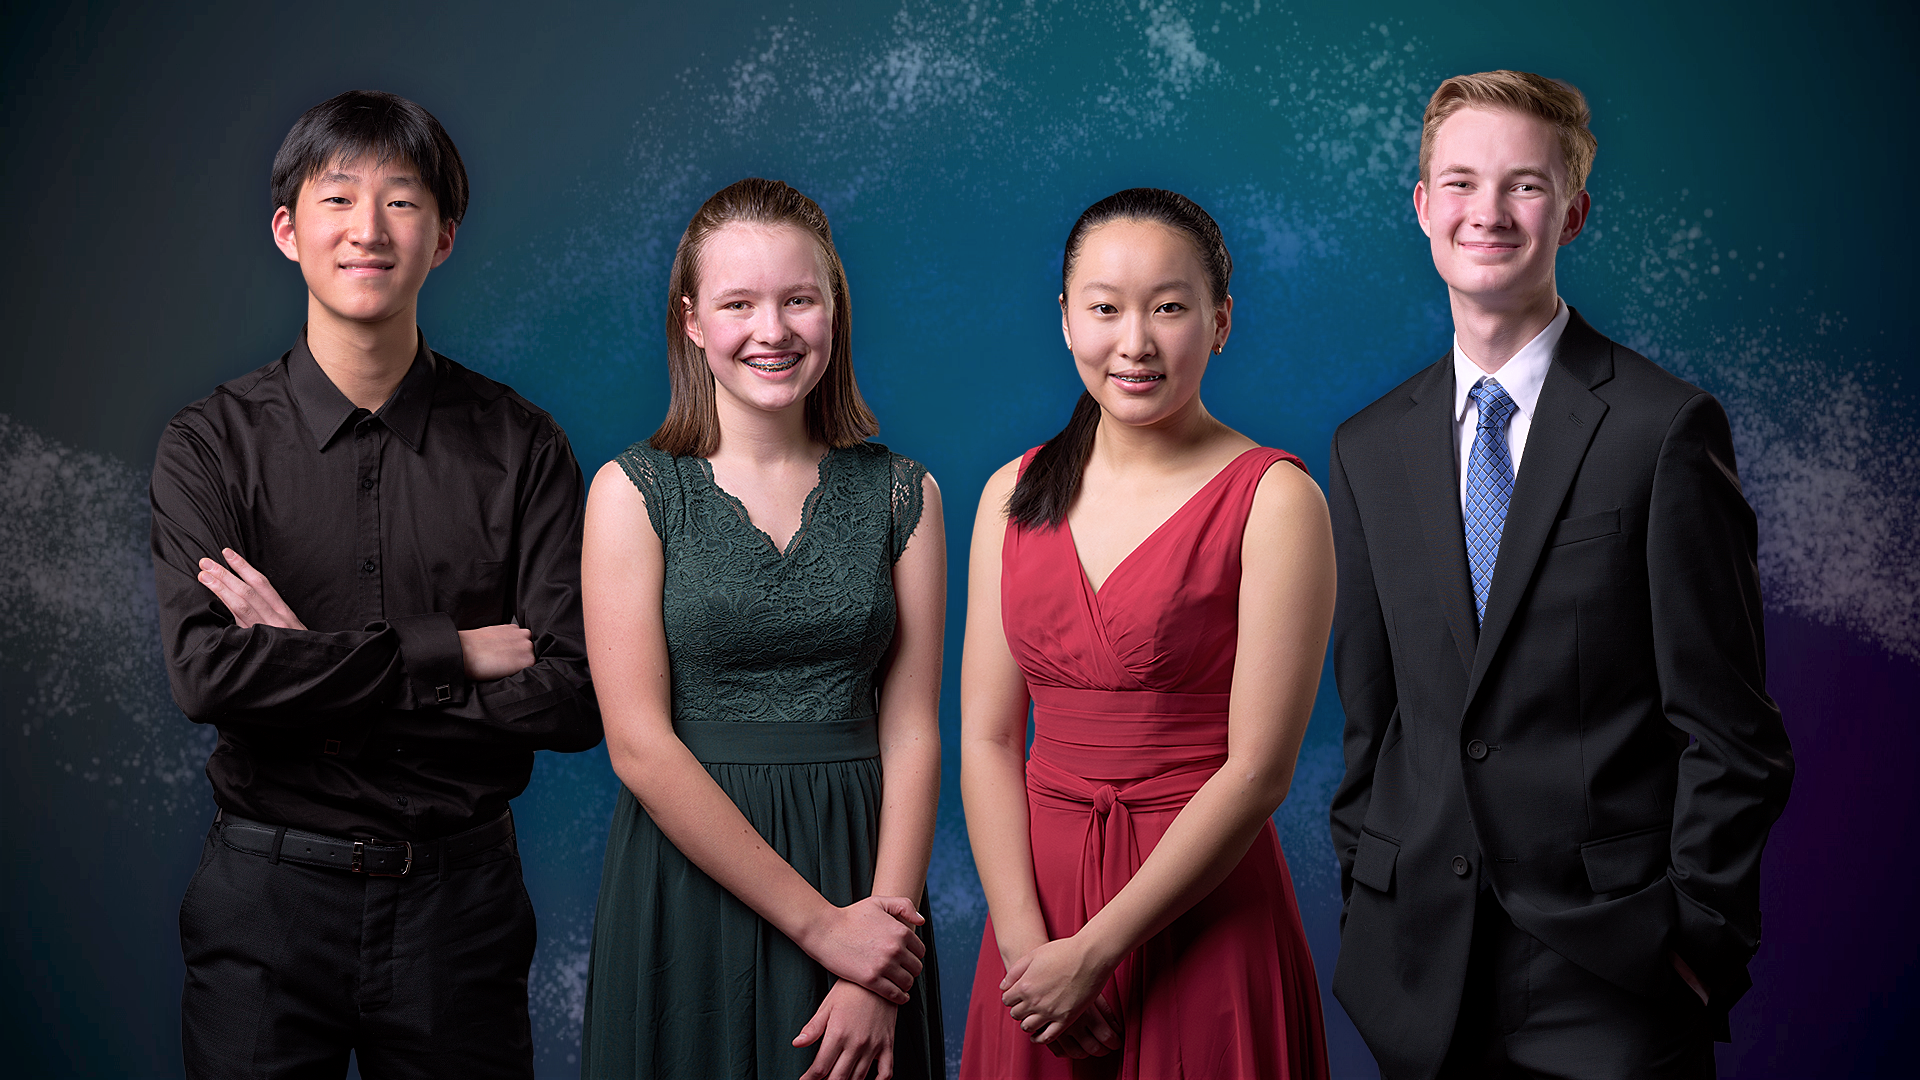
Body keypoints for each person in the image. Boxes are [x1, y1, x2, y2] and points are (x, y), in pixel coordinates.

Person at [1326, 70, 1795, 1079]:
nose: (1486, 212)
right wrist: (1371, 890)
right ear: (1422, 207)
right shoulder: (1368, 447)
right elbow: (1373, 716)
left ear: (1572, 212)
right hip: (1416, 973)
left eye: (1523, 185)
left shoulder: (1662, 429)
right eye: (1458, 182)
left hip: (1612, 974)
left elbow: (1731, 732)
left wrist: (1698, 936)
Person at [150, 90, 602, 1079]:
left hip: (461, 905)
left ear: (442, 237)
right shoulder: (208, 446)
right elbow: (207, 679)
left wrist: (302, 668)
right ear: (287, 230)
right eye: (338, 198)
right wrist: (453, 653)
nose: (367, 230)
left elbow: (570, 696)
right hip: (265, 903)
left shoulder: (523, 446)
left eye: (401, 202)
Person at [958, 188, 1334, 1080]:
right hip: (1034, 924)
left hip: (1202, 910)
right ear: (1065, 319)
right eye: (1105, 308)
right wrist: (1028, 952)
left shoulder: (1277, 498)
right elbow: (987, 735)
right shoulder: (1009, 494)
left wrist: (1096, 952)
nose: (1135, 342)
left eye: (1169, 308)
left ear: (1221, 321)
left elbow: (1259, 770)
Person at [578, 177, 946, 1080]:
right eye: (739, 303)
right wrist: (825, 930)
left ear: (834, 313)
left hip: (865, 868)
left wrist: (881, 959)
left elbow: (912, 730)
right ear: (693, 321)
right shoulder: (632, 493)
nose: (772, 331)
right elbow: (637, 745)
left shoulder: (907, 493)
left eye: (798, 300)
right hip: (688, 882)